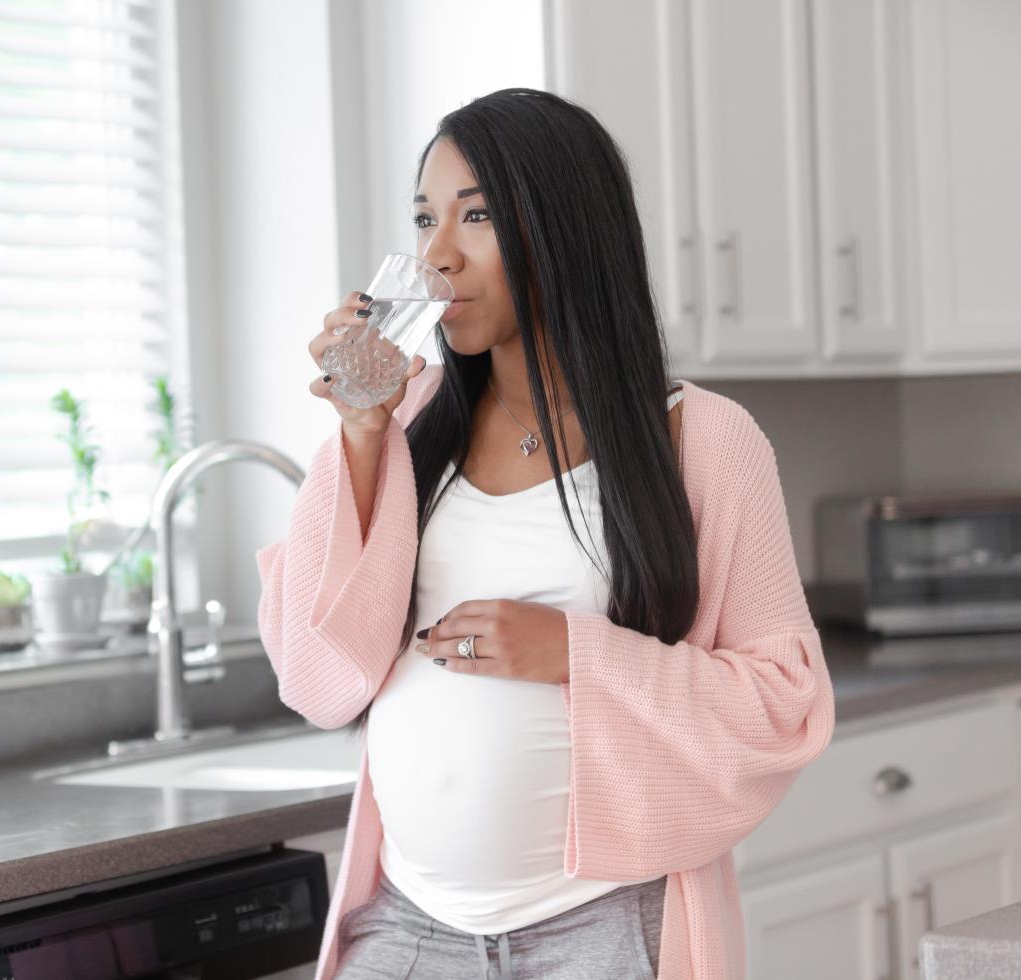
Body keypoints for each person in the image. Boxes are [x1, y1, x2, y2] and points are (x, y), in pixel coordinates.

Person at [255, 87, 834, 980]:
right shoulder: (403, 423)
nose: (437, 254)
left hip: (601, 935)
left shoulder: (704, 442)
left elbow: (782, 705)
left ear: (567, 228)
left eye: (477, 214)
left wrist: (576, 652)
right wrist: (361, 440)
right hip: (408, 934)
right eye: (424, 218)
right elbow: (319, 677)